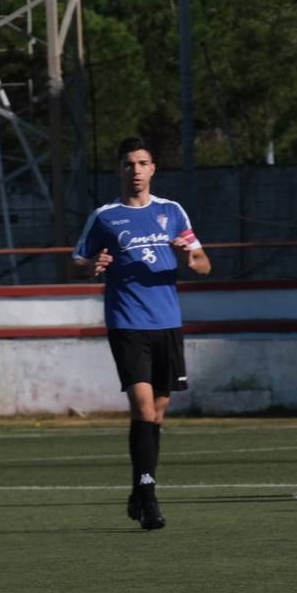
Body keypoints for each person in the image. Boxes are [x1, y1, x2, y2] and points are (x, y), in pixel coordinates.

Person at [73, 136, 212, 530]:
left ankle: (138, 487)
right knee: (144, 408)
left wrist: (188, 256)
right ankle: (149, 497)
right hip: (126, 323)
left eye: (142, 163)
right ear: (119, 170)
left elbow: (203, 265)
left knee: (159, 413)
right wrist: (90, 267)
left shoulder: (172, 212)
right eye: (128, 164)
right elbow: (76, 263)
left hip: (167, 324)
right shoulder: (105, 217)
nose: (135, 170)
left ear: (153, 169)